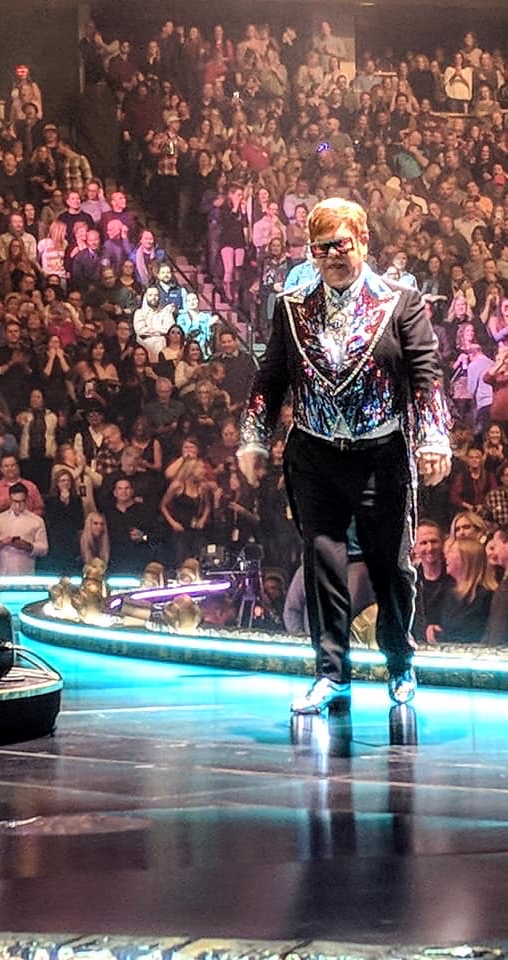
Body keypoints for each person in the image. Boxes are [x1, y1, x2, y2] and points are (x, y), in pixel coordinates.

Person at [238, 198, 451, 714]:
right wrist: (254, 435)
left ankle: (398, 660)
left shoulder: (400, 301)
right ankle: (331, 673)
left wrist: (434, 437)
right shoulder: (292, 304)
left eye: (341, 244)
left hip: (380, 453)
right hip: (314, 453)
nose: (332, 255)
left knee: (390, 566)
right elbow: (272, 375)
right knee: (324, 562)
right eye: (321, 248)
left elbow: (425, 373)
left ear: (363, 241)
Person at [0, 482, 48, 575]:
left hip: (24, 571)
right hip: (0, 571)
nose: (18, 506)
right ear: (10, 499)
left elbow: (44, 548)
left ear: (27, 500)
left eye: (21, 501)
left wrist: (28, 546)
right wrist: (2, 543)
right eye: (15, 501)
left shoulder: (37, 521)